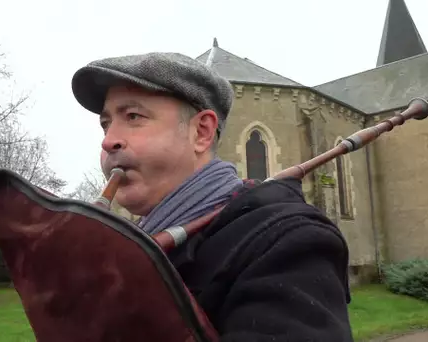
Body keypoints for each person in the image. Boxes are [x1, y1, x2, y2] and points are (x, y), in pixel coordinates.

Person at [71, 51, 354, 341]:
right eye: (106, 124)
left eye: (133, 116)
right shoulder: (132, 248)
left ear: (202, 133)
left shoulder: (288, 241)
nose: (108, 141)